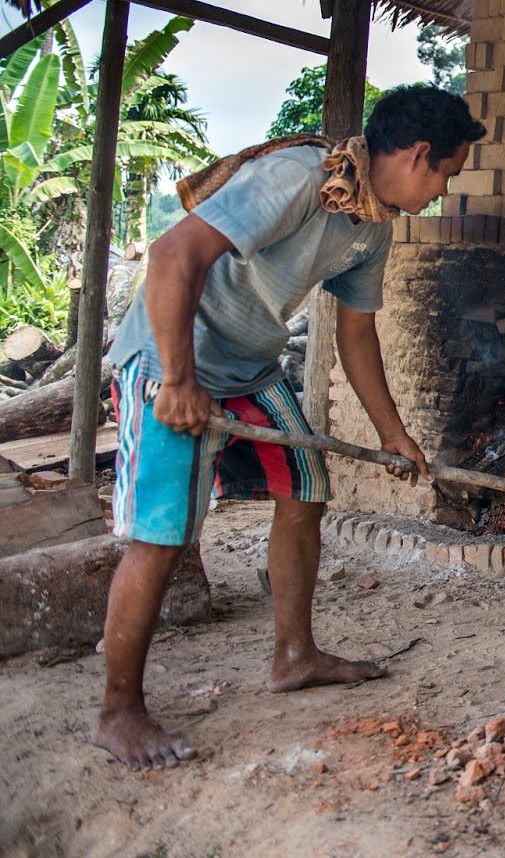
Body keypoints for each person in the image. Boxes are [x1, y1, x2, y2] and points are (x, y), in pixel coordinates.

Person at [95, 84, 485, 771]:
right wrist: (180, 382)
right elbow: (170, 258)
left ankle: (294, 656)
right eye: (447, 175)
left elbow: (356, 333)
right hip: (171, 357)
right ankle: (119, 710)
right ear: (420, 154)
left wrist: (392, 432)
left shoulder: (372, 222)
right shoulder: (300, 176)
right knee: (164, 533)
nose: (442, 192)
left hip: (249, 367)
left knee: (305, 489)